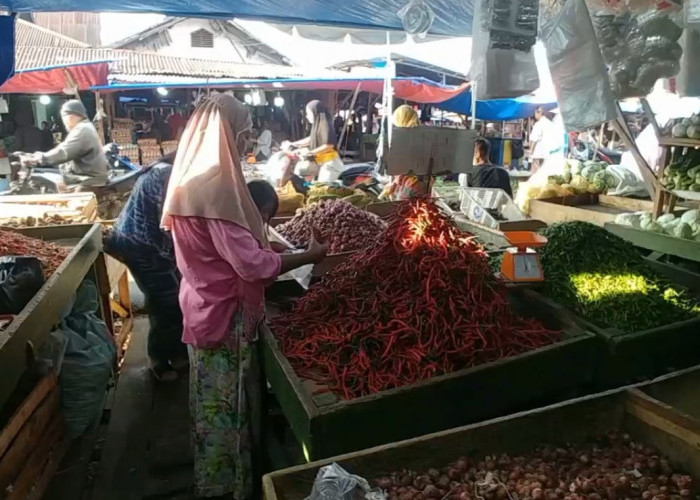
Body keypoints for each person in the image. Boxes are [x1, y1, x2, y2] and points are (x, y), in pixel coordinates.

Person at [161, 93, 328, 499]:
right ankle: (230, 487)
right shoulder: (215, 189)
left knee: (210, 400)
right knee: (228, 406)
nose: (244, 143)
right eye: (241, 134)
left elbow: (228, 251)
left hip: (202, 302)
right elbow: (251, 266)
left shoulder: (189, 181)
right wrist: (309, 255)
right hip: (225, 313)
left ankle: (213, 476)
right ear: (224, 133)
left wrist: (275, 251)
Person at [103, 152, 186, 381]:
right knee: (166, 301)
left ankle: (177, 352)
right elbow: (170, 220)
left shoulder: (165, 169)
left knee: (176, 297)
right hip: (141, 246)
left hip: (149, 245)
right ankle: (158, 358)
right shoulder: (167, 174)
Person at [24, 100, 108, 192]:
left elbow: (64, 151)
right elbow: (64, 148)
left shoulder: (83, 129)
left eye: (64, 116)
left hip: (88, 181)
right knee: (58, 182)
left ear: (72, 115)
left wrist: (41, 158)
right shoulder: (85, 127)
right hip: (85, 177)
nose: (64, 121)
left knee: (66, 201)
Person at [380, 105, 432, 200]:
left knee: (404, 212)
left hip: (411, 187)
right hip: (422, 186)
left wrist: (396, 182)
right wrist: (395, 183)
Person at [290, 100, 343, 182]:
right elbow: (311, 139)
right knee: (299, 171)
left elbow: (328, 145)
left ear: (315, 113)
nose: (307, 116)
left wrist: (310, 153)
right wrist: (293, 144)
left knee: (321, 190)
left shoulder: (325, 125)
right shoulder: (318, 126)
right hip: (321, 163)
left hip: (331, 165)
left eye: (308, 113)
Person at [529, 107, 556, 173]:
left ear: (539, 113)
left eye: (535, 113)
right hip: (548, 153)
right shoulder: (551, 123)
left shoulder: (538, 124)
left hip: (538, 153)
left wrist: (531, 151)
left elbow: (535, 139)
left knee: (536, 173)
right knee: (545, 173)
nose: (535, 115)